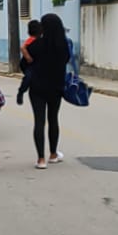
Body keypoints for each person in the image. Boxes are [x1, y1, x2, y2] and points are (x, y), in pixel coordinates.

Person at [22, 12, 73, 168]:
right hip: (56, 88)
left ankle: (40, 160)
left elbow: (23, 66)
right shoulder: (64, 46)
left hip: (37, 89)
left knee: (39, 121)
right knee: (53, 120)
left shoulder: (35, 45)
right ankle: (53, 154)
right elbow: (66, 62)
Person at [16, 19, 42, 105]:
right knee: (28, 77)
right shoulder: (31, 39)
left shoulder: (41, 40)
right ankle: (21, 92)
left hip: (35, 65)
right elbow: (22, 48)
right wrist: (28, 57)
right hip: (28, 64)